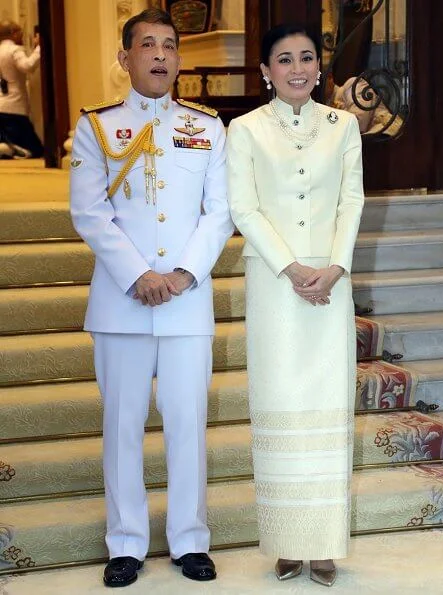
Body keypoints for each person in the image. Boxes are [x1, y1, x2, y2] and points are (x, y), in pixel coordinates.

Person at [69, 8, 233, 588]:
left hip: (187, 304)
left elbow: (221, 212)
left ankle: (190, 541)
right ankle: (126, 543)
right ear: (126, 57)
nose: (159, 55)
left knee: (187, 422)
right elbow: (89, 212)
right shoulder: (97, 128)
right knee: (123, 425)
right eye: (147, 45)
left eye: (169, 45)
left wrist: (184, 274)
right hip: (121, 303)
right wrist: (139, 274)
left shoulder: (210, 128)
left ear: (179, 59)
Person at [226, 23, 364, 588]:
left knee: (329, 407)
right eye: (285, 59)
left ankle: (326, 544)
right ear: (265, 70)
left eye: (307, 57)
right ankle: (286, 541)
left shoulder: (344, 125)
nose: (298, 68)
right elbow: (244, 208)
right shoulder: (245, 129)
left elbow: (351, 198)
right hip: (275, 285)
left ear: (319, 66)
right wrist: (292, 267)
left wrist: (334, 265)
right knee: (281, 404)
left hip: (332, 283)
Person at [0, 20, 43, 158]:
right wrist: (39, 48)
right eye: (20, 33)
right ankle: (7, 149)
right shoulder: (14, 50)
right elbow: (27, 66)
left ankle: (8, 148)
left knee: (17, 141)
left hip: (2, 104)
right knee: (35, 149)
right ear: (13, 34)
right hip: (15, 105)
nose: (23, 36)